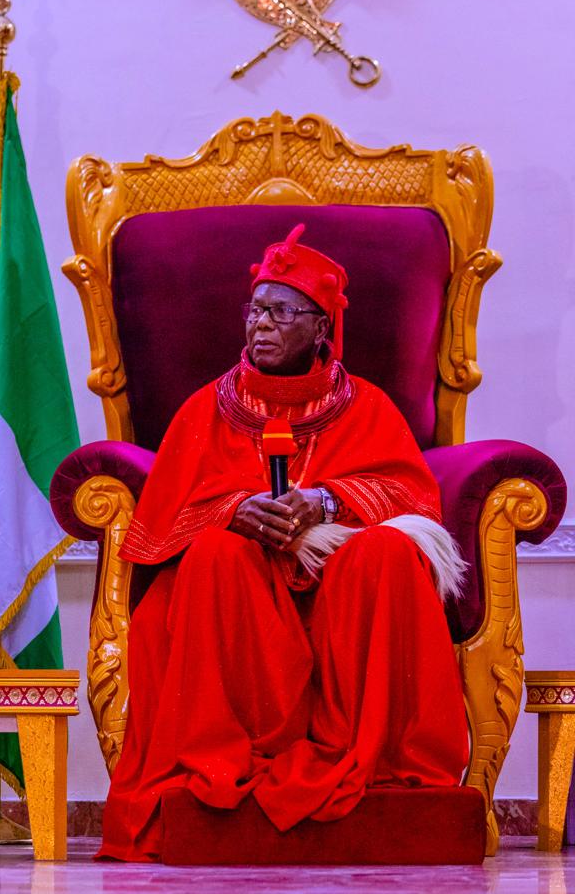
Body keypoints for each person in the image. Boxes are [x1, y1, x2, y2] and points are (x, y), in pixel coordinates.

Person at [98, 224, 469, 862]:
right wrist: (235, 510)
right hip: (239, 599)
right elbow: (163, 524)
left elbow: (412, 501)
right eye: (255, 310)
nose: (259, 325)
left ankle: (371, 752)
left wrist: (325, 501)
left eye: (280, 312)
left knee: (385, 554)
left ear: (321, 327)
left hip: (342, 596)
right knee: (215, 552)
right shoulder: (204, 410)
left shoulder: (370, 408)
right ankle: (233, 752)